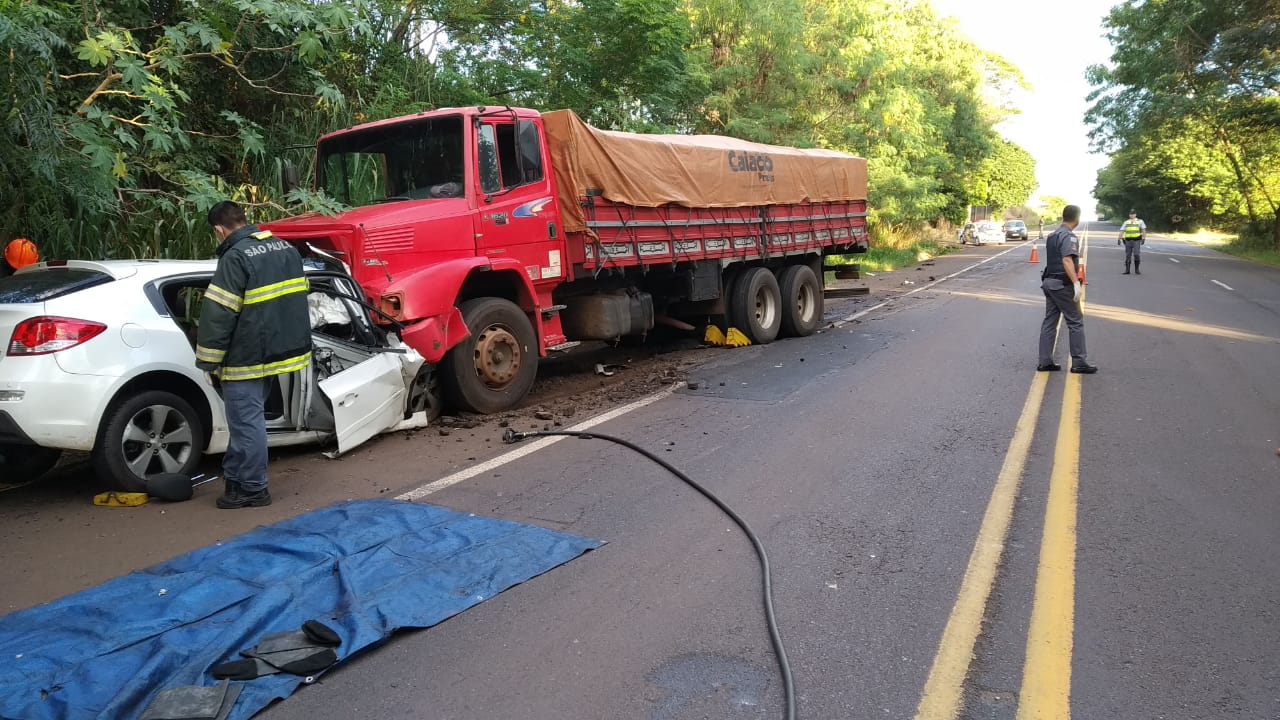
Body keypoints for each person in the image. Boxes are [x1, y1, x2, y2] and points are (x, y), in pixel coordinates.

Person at [195, 201, 311, 508]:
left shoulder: (235, 258)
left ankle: (252, 488)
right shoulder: (284, 249)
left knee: (247, 425)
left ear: (219, 230)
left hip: (245, 358)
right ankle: (235, 479)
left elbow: (219, 314)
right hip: (275, 353)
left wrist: (209, 360)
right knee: (247, 422)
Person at [1038, 204, 1097, 374]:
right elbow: (1066, 260)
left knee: (1050, 321)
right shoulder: (1069, 237)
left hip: (1049, 282)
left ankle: (1045, 361)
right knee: (1075, 321)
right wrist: (1076, 283)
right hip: (1062, 285)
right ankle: (1079, 362)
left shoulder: (1052, 235)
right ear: (1077, 219)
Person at [1117, 209, 1146, 274]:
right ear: (1129, 215)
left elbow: (1143, 230)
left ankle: (1137, 269)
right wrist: (1119, 238)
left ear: (1135, 214)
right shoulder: (1126, 222)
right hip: (1128, 240)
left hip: (1136, 240)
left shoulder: (1140, 221)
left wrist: (1144, 238)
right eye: (1130, 214)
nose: (1132, 215)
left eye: (1133, 214)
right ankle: (1127, 270)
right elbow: (1122, 230)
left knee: (1136, 254)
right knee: (1128, 255)